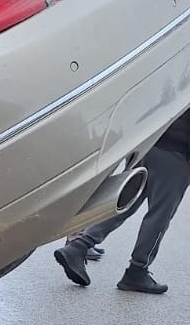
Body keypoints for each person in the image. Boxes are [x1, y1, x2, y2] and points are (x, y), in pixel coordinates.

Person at [55, 107, 190, 294]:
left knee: (124, 205)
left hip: (149, 142)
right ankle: (137, 271)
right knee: (159, 216)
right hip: (176, 153)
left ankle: (79, 246)